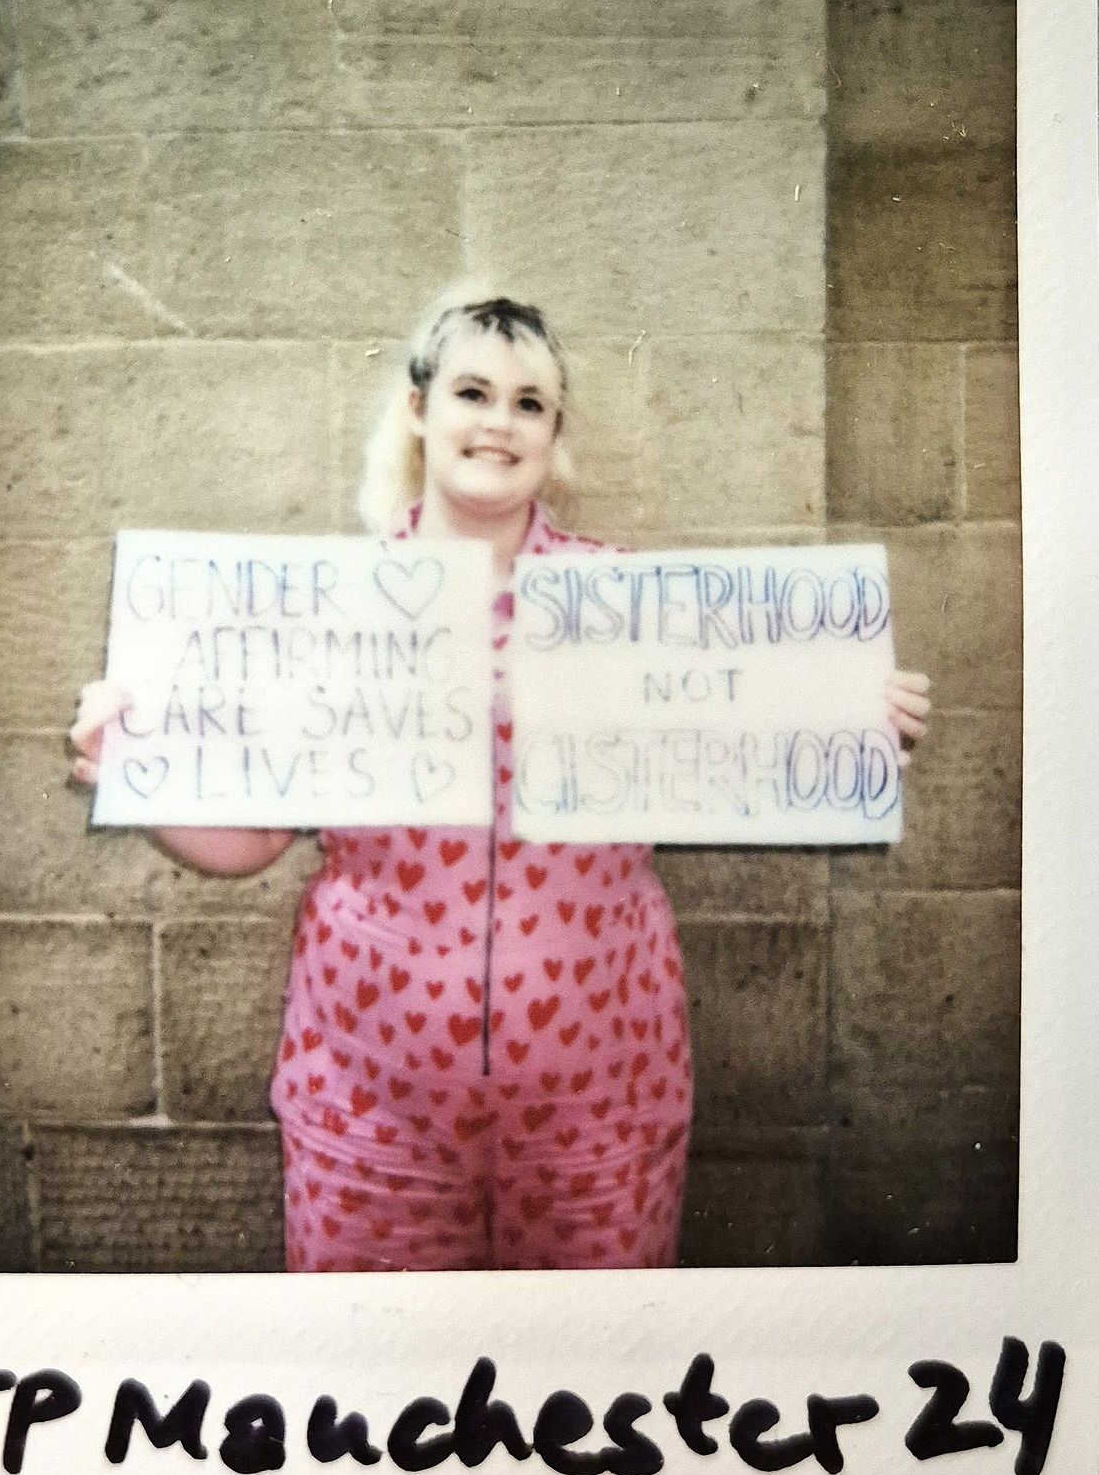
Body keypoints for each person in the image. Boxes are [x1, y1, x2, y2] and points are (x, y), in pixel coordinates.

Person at [69, 291, 932, 1273]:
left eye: (531, 403)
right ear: (420, 409)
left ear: (553, 434)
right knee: (386, 1393)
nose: (498, 420)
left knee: (586, 1390)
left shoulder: (625, 603)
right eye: (473, 391)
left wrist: (848, 716)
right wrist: (132, 777)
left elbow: (755, 728)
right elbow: (252, 840)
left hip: (601, 1112)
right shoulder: (333, 608)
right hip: (370, 1113)